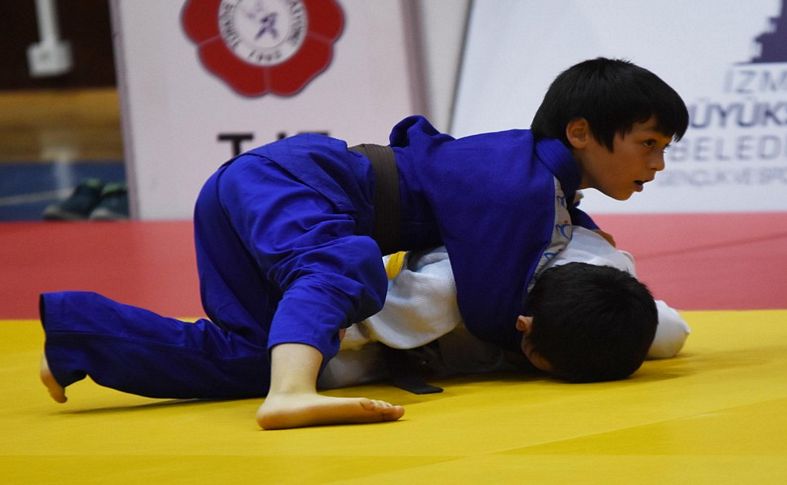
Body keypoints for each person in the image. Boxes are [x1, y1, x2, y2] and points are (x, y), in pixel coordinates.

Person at [39, 57, 689, 429]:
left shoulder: (544, 191)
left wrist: (603, 303)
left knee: (254, 355)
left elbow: (567, 239)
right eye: (648, 144)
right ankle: (290, 394)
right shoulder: (520, 182)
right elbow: (494, 309)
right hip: (296, 181)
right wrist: (554, 336)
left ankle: (83, 336)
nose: (656, 165)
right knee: (345, 263)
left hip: (260, 191)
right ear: (581, 131)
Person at [319, 229, 691, 390]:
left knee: (669, 334)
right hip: (411, 276)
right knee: (329, 368)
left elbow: (672, 333)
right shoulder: (445, 289)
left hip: (560, 283)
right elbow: (331, 316)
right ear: (523, 324)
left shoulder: (615, 281)